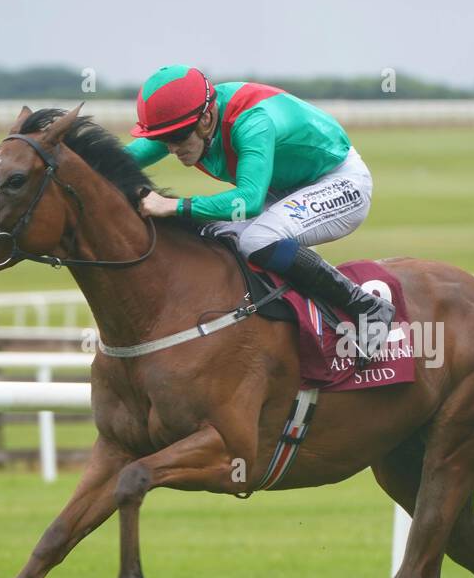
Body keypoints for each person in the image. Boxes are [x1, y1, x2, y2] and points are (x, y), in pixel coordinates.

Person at [125, 65, 393, 359]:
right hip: (284, 187)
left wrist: (176, 206)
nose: (171, 148)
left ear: (205, 120)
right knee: (210, 233)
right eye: (163, 139)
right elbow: (121, 160)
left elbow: (248, 203)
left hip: (339, 181)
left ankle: (365, 305)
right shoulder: (190, 120)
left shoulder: (252, 122)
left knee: (257, 240)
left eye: (177, 138)